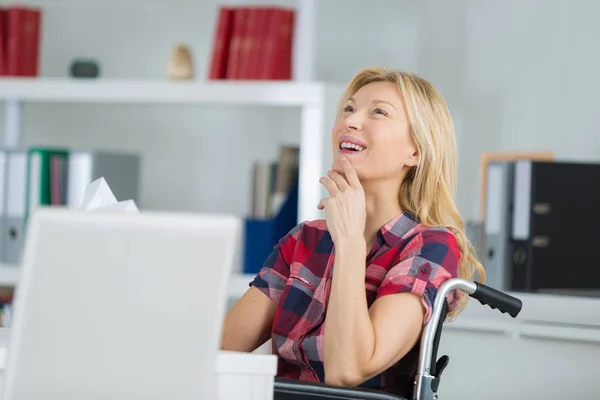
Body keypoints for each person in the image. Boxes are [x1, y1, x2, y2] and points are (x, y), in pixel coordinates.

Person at [220, 67, 485, 397]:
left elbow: (346, 372)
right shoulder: (305, 241)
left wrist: (349, 242)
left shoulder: (430, 246)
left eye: (378, 112)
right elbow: (221, 351)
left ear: (415, 151)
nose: (352, 121)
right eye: (348, 108)